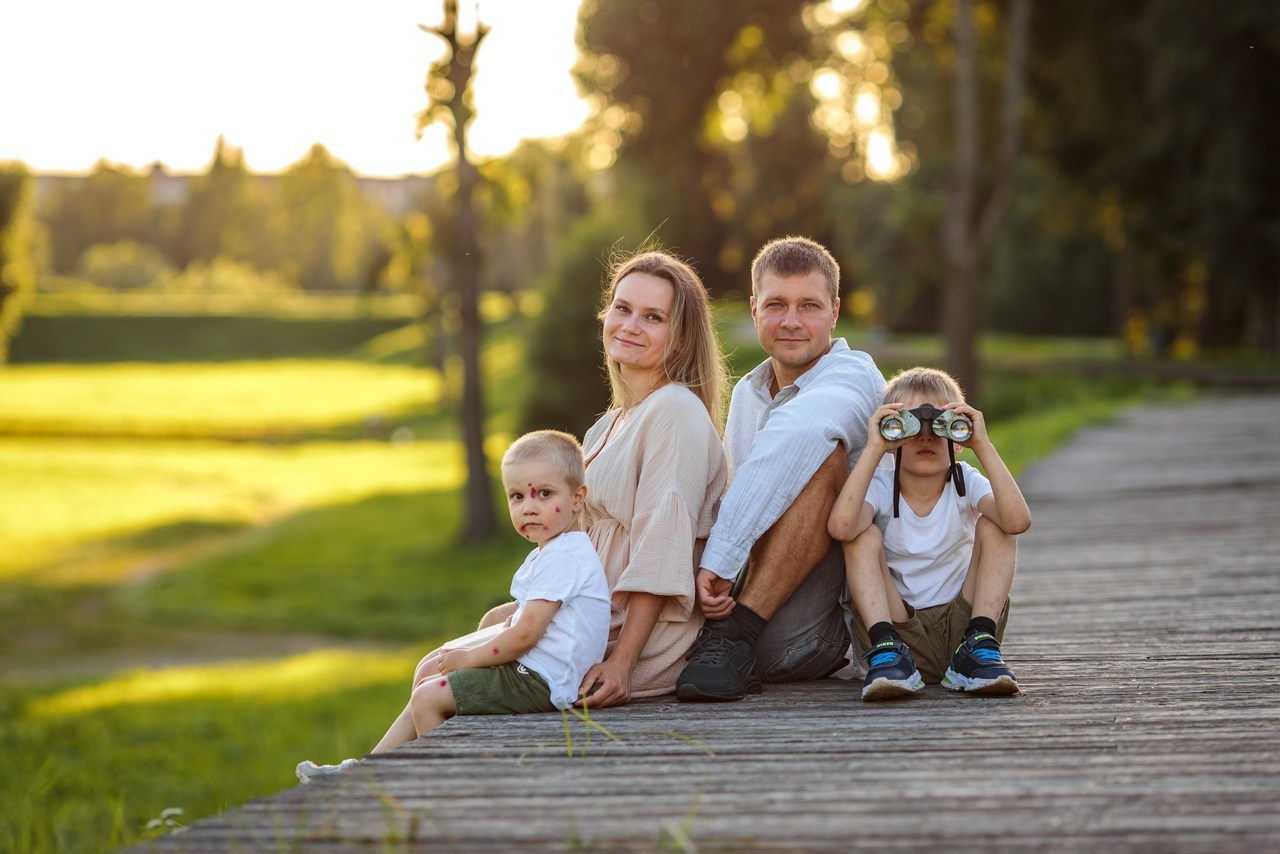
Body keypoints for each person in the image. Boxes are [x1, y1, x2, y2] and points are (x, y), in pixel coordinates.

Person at [295, 430, 611, 782]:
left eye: (544, 494)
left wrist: (470, 658)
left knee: (430, 699)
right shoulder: (557, 549)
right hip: (541, 671)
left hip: (545, 681)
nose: (528, 507)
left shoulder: (563, 556)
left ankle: (445, 786)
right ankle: (369, 772)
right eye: (517, 496)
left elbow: (524, 635)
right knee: (430, 670)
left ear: (577, 498)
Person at [676, 236, 886, 701]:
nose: (791, 321)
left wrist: (720, 560)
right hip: (730, 602)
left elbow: (802, 432)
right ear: (754, 311)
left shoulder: (856, 377)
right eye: (776, 305)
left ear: (834, 312)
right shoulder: (750, 392)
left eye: (809, 306)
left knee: (823, 457)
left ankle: (736, 638)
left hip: (811, 632)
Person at [572, 249, 730, 707]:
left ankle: (362, 778)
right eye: (622, 308)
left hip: (636, 637)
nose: (630, 325)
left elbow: (662, 545)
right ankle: (362, 775)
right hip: (591, 615)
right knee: (478, 634)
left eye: (653, 317)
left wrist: (622, 664)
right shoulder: (608, 425)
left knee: (439, 681)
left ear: (680, 339)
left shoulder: (675, 410)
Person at [827, 367, 1032, 700]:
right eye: (907, 426)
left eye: (940, 425)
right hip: (897, 630)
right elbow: (842, 528)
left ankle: (981, 644)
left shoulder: (964, 479)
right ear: (890, 434)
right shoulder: (880, 484)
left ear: (958, 434)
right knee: (862, 536)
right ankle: (885, 651)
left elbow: (1017, 521)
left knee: (996, 524)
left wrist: (982, 444)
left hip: (962, 630)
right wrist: (874, 448)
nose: (925, 436)